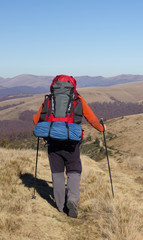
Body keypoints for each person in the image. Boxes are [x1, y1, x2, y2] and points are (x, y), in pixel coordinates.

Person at [33, 75, 106, 218]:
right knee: (74, 170)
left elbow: (36, 119)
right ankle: (72, 200)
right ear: (73, 86)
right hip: (72, 142)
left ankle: (60, 206)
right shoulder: (77, 99)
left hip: (53, 140)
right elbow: (91, 118)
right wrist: (102, 128)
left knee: (57, 172)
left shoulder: (49, 99)